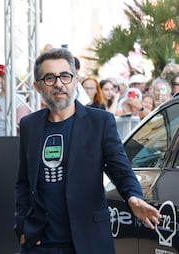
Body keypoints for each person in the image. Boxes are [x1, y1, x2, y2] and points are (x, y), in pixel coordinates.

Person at [14, 48, 161, 254]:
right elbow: (23, 183)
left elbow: (120, 170)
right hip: (40, 243)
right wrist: (22, 226)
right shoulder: (30, 125)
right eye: (50, 78)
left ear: (75, 80)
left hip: (88, 241)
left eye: (65, 76)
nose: (59, 83)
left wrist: (134, 197)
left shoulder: (100, 122)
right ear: (38, 86)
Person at [0, 64, 30, 136]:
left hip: (14, 138)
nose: (4, 81)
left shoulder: (21, 99)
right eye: (3, 78)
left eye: (8, 78)